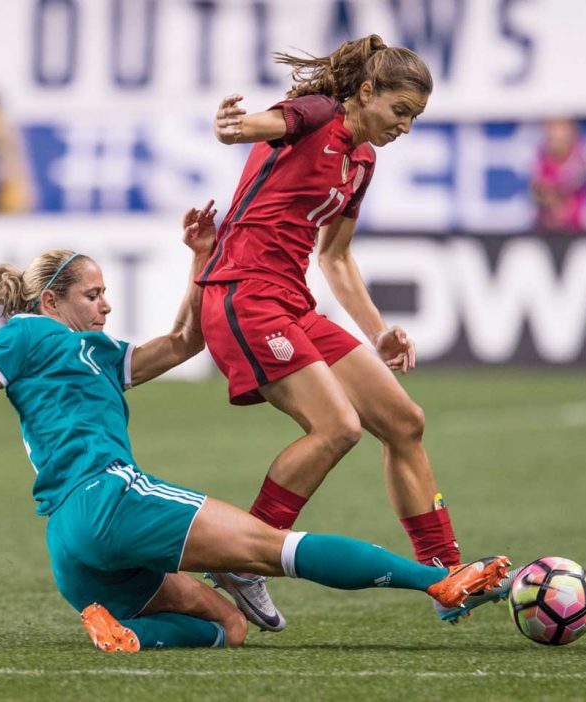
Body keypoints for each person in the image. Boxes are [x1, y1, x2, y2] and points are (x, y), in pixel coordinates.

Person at [0, 202, 510, 652]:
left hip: (71, 546)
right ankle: (439, 582)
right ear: (50, 299)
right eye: (92, 295)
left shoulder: (98, 352)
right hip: (110, 498)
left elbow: (184, 343)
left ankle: (123, 628)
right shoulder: (26, 334)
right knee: (272, 548)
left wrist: (201, 258)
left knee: (229, 628)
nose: (105, 304)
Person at [198, 34, 516, 629]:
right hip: (245, 294)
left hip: (291, 302)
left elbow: (336, 257)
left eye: (415, 118)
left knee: (404, 422)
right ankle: (242, 557)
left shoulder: (362, 160)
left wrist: (378, 332)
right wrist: (231, 124)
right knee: (338, 427)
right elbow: (252, 128)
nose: (405, 127)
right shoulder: (317, 114)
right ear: (365, 92)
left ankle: (448, 573)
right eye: (400, 111)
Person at [530, 118, 586, 233]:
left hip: (576, 230)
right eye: (550, 127)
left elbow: (574, 183)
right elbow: (539, 191)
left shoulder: (582, 155)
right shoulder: (541, 157)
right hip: (545, 231)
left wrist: (555, 194)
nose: (554, 133)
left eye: (559, 127)